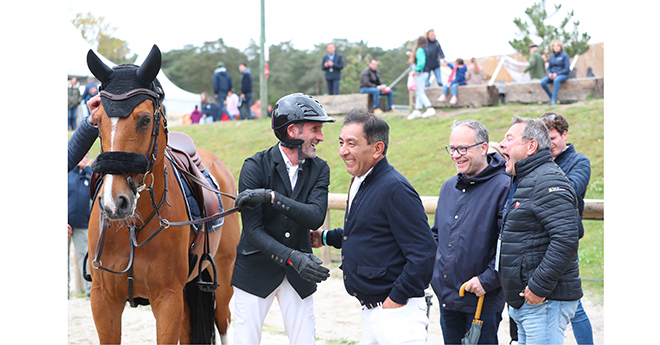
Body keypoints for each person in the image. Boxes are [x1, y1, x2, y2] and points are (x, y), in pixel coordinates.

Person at [311, 109, 436, 344]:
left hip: (398, 312)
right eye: (341, 143)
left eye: (351, 143)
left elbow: (424, 253)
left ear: (378, 148)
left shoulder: (395, 188)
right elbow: (365, 232)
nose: (343, 151)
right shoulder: (360, 180)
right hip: (372, 311)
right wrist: (325, 237)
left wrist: (395, 300)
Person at [230, 93, 334, 344]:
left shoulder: (320, 169)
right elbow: (253, 232)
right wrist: (292, 257)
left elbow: (315, 217)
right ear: (292, 131)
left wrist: (271, 197)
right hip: (255, 269)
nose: (321, 137)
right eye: (315, 129)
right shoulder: (255, 166)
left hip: (300, 275)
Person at [498, 116, 583, 345]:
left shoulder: (546, 180)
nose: (501, 145)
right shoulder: (527, 179)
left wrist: (537, 287)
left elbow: (565, 239)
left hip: (543, 301)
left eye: (509, 139)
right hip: (528, 302)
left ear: (531, 146)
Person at [431, 119, 509, 345]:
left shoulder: (504, 186)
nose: (456, 155)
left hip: (482, 299)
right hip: (447, 298)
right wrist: (435, 275)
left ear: (483, 147)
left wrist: (487, 280)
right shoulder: (448, 187)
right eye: (452, 149)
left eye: (463, 148)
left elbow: (511, 244)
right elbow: (437, 235)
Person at [541, 112, 594, 345]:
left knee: (573, 303)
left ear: (564, 134)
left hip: (563, 239)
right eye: (544, 138)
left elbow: (570, 191)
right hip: (536, 237)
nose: (549, 144)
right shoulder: (539, 160)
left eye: (552, 138)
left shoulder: (579, 161)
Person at [68, 153, 93, 297]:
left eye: (86, 156)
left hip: (83, 223)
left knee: (85, 257)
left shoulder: (89, 175)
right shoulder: (68, 172)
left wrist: (88, 170)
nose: (84, 158)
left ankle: (90, 291)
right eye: (82, 156)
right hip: (66, 223)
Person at [407, 36, 436, 120]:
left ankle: (429, 108)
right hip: (426, 72)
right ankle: (417, 110)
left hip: (421, 73)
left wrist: (415, 70)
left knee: (420, 92)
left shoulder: (420, 50)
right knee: (419, 91)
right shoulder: (426, 49)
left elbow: (421, 62)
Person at [540, 40, 571, 106]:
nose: (556, 47)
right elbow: (549, 68)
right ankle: (552, 98)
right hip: (552, 75)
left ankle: (553, 101)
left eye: (557, 46)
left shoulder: (565, 56)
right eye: (554, 46)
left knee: (556, 80)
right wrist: (549, 74)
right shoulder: (551, 56)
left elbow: (567, 69)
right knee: (543, 82)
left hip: (563, 75)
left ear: (560, 47)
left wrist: (557, 74)